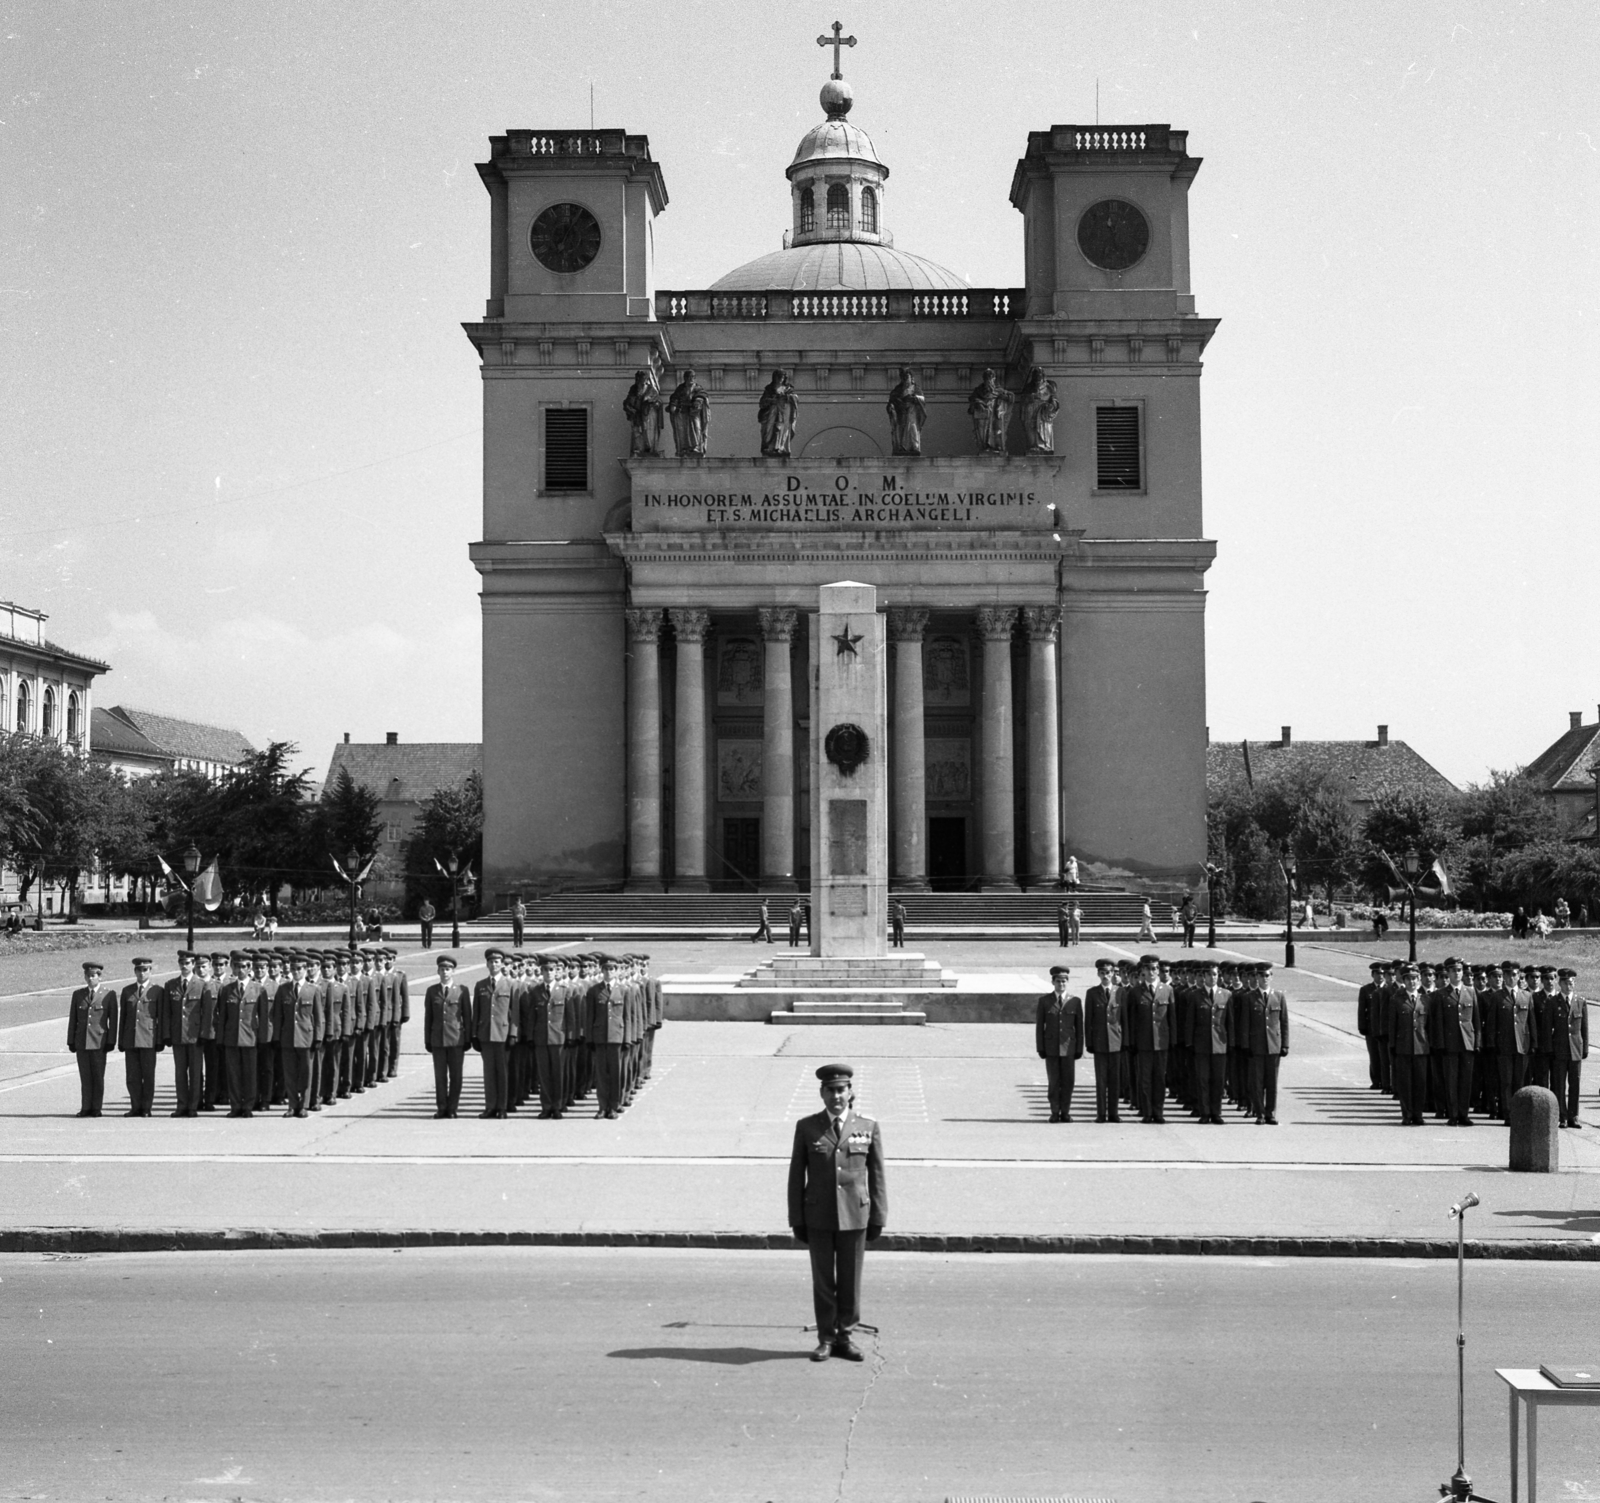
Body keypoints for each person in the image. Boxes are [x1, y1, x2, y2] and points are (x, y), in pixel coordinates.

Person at [787, 1063, 887, 1363]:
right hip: (818, 1216)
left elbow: (877, 1174)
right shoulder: (807, 1127)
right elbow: (796, 1176)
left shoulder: (867, 1126)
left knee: (850, 1279)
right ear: (821, 1093)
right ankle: (826, 1339)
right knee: (823, 1281)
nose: (836, 1096)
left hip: (855, 1215)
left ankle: (845, 1336)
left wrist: (879, 1216)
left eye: (841, 1090)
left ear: (850, 1092)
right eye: (830, 1090)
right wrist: (797, 1218)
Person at [423, 954, 474, 1118]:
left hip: (456, 1039)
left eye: (448, 969)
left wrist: (468, 1039)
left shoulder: (462, 991)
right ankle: (441, 1107)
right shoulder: (432, 991)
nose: (445, 972)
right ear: (438, 971)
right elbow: (428, 1017)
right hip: (437, 1039)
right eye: (442, 969)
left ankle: (452, 1107)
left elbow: (467, 1016)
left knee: (456, 1076)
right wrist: (427, 1040)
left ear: (453, 971)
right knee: (440, 1076)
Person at [67, 959, 118, 1117]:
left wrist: (111, 1041)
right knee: (85, 1077)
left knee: (97, 1076)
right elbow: (73, 1019)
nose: (91, 978)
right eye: (88, 975)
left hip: (99, 1042)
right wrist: (71, 1040)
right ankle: (85, 1107)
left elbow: (113, 1020)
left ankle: (96, 1107)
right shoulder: (78, 994)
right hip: (82, 1041)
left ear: (100, 977)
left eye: (94, 975)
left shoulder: (108, 995)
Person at [1241, 963, 1289, 1125]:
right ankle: (1260, 1113)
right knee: (1257, 1083)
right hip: (1256, 1046)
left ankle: (1271, 1113)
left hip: (1274, 1045)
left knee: (1272, 1083)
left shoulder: (1279, 996)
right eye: (1261, 976)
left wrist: (1285, 1044)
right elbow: (1245, 1024)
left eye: (1267, 976)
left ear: (1271, 977)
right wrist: (1246, 1045)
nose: (1264, 979)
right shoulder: (1250, 997)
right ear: (1257, 978)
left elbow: (1284, 1023)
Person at [1035, 966, 1083, 1123]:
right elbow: (1040, 1027)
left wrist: (1079, 1048)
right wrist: (1041, 1048)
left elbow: (1079, 1027)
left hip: (1068, 1048)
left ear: (1067, 982)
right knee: (1054, 1081)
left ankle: (1066, 1112)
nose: (1061, 984)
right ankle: (1054, 1111)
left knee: (1068, 1081)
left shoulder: (1075, 1001)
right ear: (1052, 982)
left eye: (1063, 981)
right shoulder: (1044, 1001)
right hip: (1051, 1048)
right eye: (1058, 981)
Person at [474, 948, 517, 1119]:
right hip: (485, 1034)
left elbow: (515, 1012)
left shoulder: (510, 984)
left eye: (497, 962)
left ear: (502, 964)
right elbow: (476, 1011)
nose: (494, 965)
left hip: (502, 1034)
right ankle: (490, 1106)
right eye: (491, 962)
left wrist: (513, 1034)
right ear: (487, 964)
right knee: (489, 1073)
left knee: (502, 1073)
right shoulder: (480, 985)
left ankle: (502, 1107)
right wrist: (474, 1035)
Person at [1083, 958, 1124, 1123]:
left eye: (1108, 972)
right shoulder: (1092, 993)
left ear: (1113, 973)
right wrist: (1090, 1042)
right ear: (1098, 974)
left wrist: (1125, 1041)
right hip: (1100, 1042)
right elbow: (1089, 1021)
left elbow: (1124, 1019)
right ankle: (1101, 1114)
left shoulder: (1120, 992)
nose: (1105, 975)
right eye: (1102, 972)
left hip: (1116, 1042)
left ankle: (1113, 1113)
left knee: (1115, 1080)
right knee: (1101, 1080)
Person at [1389, 963, 1430, 1125]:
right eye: (1408, 979)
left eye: (1414, 979)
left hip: (1421, 1048)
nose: (1412, 982)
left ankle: (1418, 1114)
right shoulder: (1396, 1000)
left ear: (1419, 980)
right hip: (1403, 1048)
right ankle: (1407, 1114)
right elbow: (1392, 1026)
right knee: (1405, 1084)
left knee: (1420, 1083)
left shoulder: (1426, 1000)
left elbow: (1429, 1025)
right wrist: (1392, 1047)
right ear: (1404, 981)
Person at [1547, 968, 1589, 1128]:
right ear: (1560, 983)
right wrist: (1550, 1048)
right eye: (1565, 982)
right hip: (1560, 1049)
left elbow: (1584, 1027)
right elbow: (1547, 1028)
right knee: (1559, 1084)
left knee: (1575, 1084)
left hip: (1576, 1050)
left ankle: (1574, 1116)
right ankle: (1562, 1116)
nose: (1568, 985)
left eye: (1571, 982)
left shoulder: (1580, 1001)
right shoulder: (1553, 1002)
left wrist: (1584, 1047)